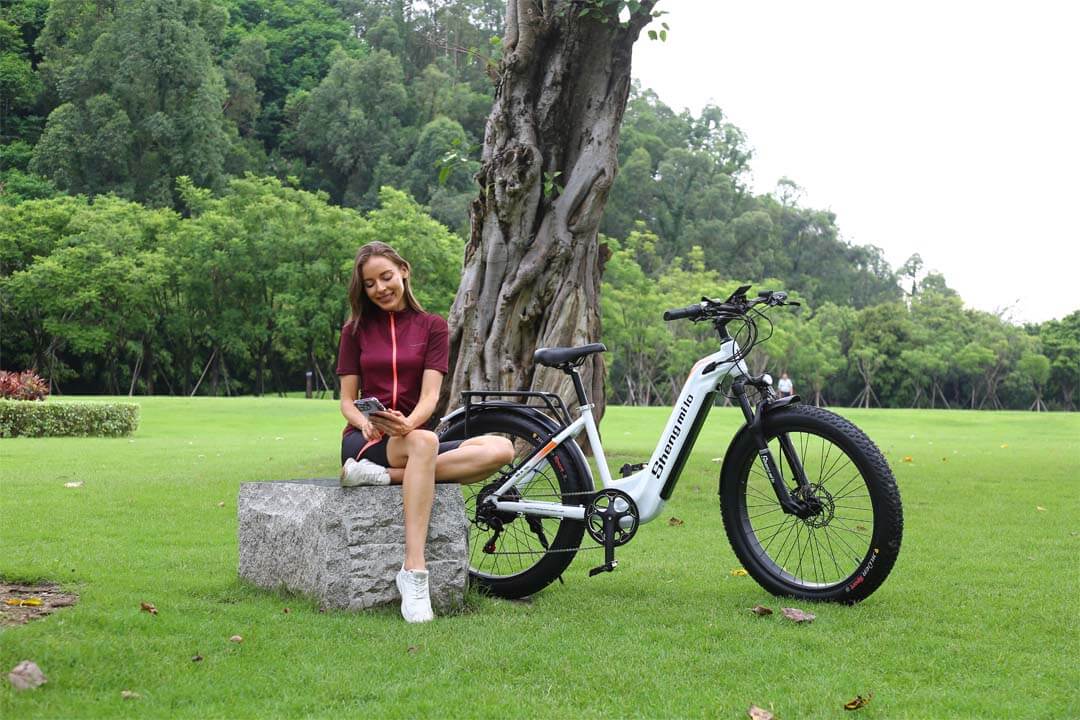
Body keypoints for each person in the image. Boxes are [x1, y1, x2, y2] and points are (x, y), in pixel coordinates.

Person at [335, 242, 514, 623]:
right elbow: (347, 400)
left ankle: (384, 478)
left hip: (413, 436)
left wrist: (410, 424)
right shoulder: (354, 331)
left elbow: (432, 396)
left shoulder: (433, 326)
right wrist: (363, 421)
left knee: (501, 449)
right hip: (367, 439)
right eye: (369, 284)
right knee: (426, 443)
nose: (380, 288)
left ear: (404, 270)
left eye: (386, 276)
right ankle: (413, 571)